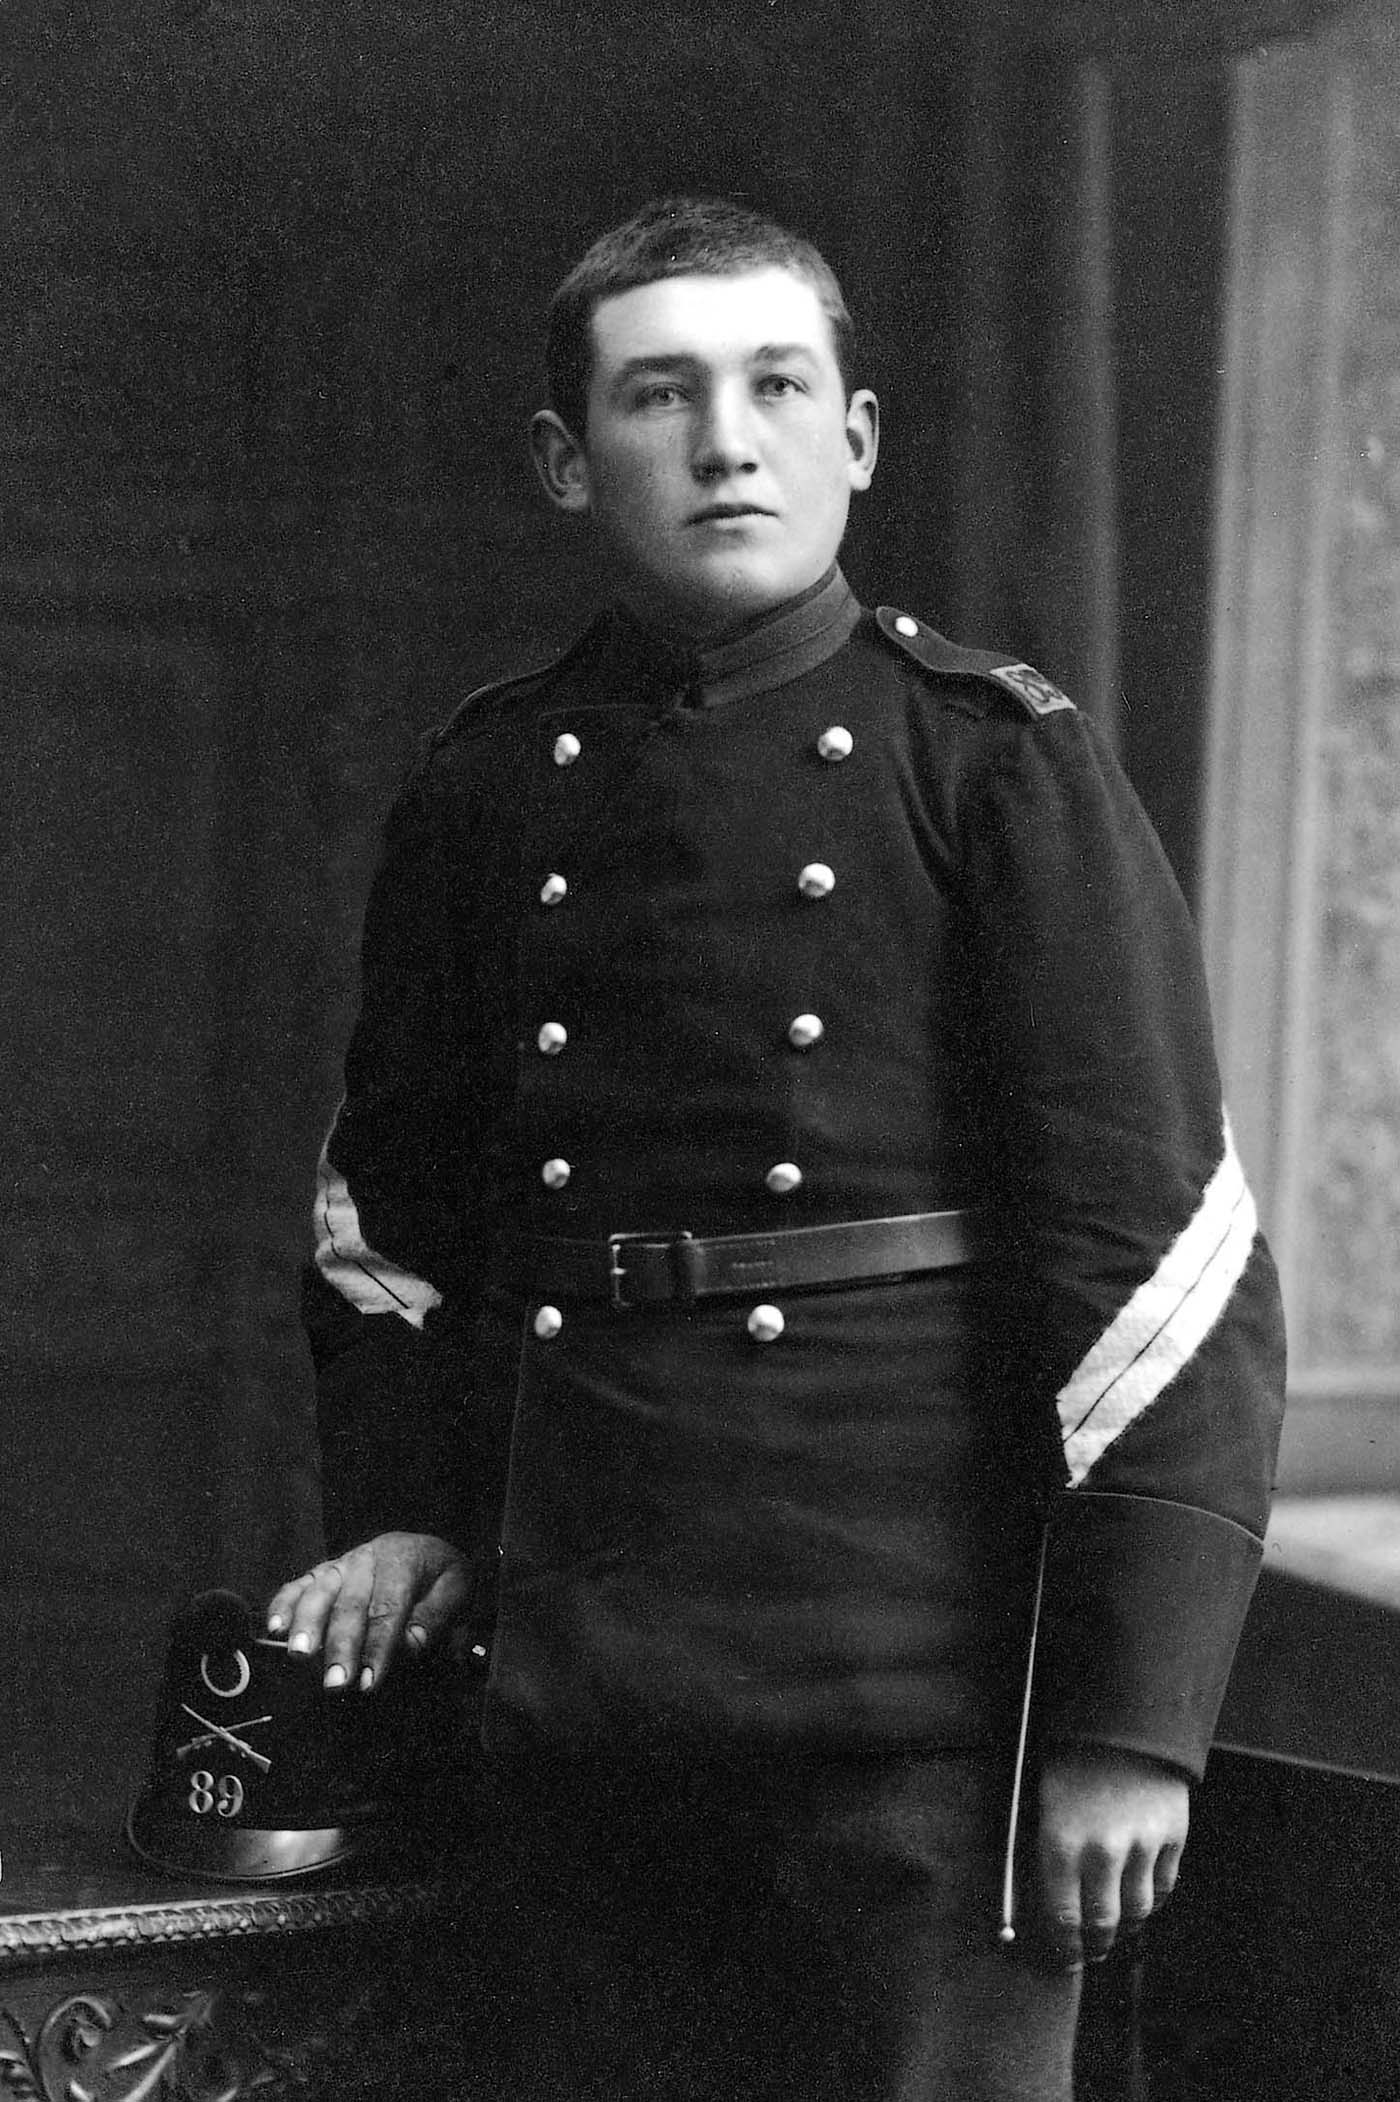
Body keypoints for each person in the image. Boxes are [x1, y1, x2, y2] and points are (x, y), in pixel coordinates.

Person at [266, 195, 1287, 2099]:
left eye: (776, 386)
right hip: (576, 1694)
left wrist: (1129, 1725)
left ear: (858, 437)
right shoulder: (487, 781)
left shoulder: (992, 760)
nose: (725, 441)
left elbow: (1164, 1262)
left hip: (914, 1707)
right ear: (567, 458)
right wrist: (407, 1504)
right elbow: (383, 1220)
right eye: (660, 395)